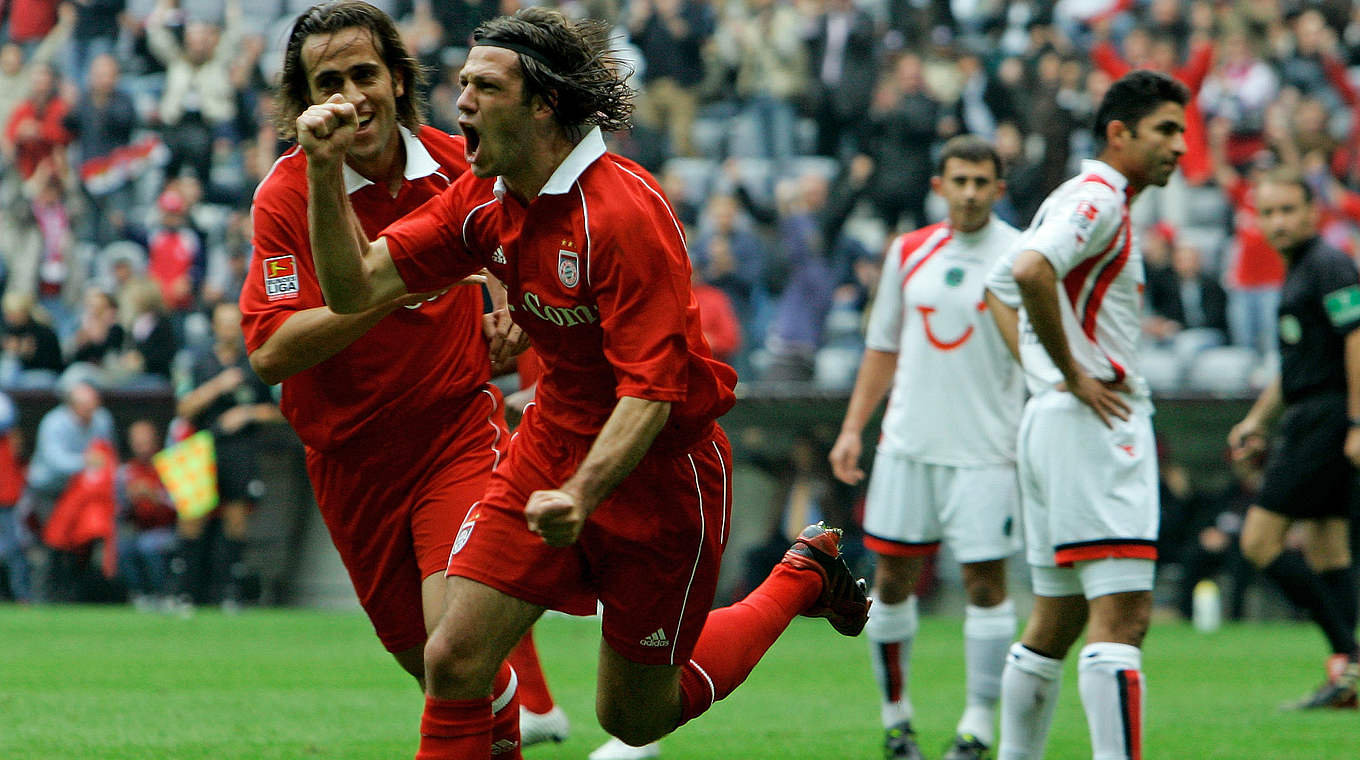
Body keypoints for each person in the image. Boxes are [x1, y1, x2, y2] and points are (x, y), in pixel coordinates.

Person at [295, 8, 870, 758]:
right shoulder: (486, 199)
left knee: (634, 717)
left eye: (484, 87)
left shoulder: (623, 213)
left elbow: (653, 393)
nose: (459, 101)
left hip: (662, 475)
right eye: (463, 84)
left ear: (542, 104)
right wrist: (320, 169)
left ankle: (801, 576)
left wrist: (582, 493)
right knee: (454, 658)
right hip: (551, 444)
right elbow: (353, 288)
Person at [240, 1, 564, 751]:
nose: (351, 96)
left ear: (396, 80)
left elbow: (534, 240)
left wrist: (515, 300)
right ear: (305, 103)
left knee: (457, 649)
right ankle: (515, 720)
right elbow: (271, 352)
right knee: (440, 672)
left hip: (456, 432)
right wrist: (396, 287)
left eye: (364, 74)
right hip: (350, 465)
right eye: (330, 82)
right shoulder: (287, 196)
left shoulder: (461, 166)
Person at [983, 69, 1189, 760]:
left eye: (1183, 132)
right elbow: (1032, 271)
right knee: (1124, 618)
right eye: (1166, 130)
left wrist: (1045, 376)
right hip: (1095, 425)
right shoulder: (1099, 199)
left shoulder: (1077, 195)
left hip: (1055, 422)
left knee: (1056, 617)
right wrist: (1072, 374)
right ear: (1118, 132)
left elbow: (1000, 284)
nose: (1180, 147)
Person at [829, 135, 1023, 760]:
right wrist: (854, 427)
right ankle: (896, 720)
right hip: (908, 445)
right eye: (959, 180)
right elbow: (882, 346)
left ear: (999, 187)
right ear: (938, 185)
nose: (969, 192)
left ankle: (977, 724)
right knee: (890, 582)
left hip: (988, 450)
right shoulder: (908, 253)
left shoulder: (1022, 257)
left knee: (986, 585)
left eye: (981, 181)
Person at [1226, 170, 1360, 709]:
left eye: (1288, 210)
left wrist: (1356, 423)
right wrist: (1258, 420)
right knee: (1328, 544)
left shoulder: (1328, 264)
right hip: (1311, 414)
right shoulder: (1299, 271)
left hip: (1327, 420)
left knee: (1258, 541)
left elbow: (1357, 341)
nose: (1278, 221)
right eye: (1269, 212)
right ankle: (1345, 681)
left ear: (1313, 213)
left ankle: (1349, 656)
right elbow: (1299, 364)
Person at [170, 300, 280, 610]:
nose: (230, 328)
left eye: (236, 322)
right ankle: (183, 593)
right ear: (215, 327)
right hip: (200, 446)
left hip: (240, 448)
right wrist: (218, 386)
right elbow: (183, 408)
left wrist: (247, 413)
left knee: (236, 519)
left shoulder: (256, 361)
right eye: (224, 322)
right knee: (192, 518)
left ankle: (229, 593)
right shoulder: (196, 361)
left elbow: (283, 409)